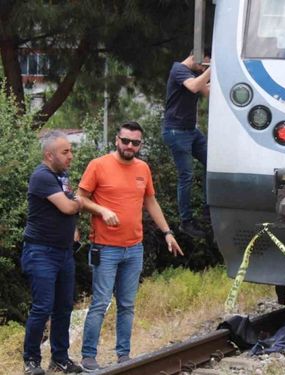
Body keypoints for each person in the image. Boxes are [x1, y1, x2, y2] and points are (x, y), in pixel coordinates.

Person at [77, 121, 183, 371]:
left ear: (140, 145)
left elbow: (151, 202)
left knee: (127, 304)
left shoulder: (143, 168)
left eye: (135, 142)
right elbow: (79, 198)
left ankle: (124, 355)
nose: (129, 146)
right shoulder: (98, 165)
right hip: (105, 247)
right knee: (101, 303)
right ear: (117, 140)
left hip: (134, 248)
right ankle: (88, 356)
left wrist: (167, 232)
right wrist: (102, 210)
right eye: (125, 141)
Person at [21, 130, 84, 374]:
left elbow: (68, 207)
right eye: (65, 152)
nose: (71, 156)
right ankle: (31, 360)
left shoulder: (62, 175)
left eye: (70, 150)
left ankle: (59, 358)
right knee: (42, 307)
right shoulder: (42, 176)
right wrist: (81, 201)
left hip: (63, 252)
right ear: (49, 155)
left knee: (64, 307)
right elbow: (68, 206)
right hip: (41, 252)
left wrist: (74, 227)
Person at [162, 50, 211, 238]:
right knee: (187, 175)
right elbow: (193, 87)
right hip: (176, 131)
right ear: (196, 55)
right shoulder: (179, 69)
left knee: (211, 162)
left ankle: (208, 209)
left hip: (191, 130)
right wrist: (211, 70)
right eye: (205, 63)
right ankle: (186, 221)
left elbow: (206, 91)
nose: (204, 68)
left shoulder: (195, 74)